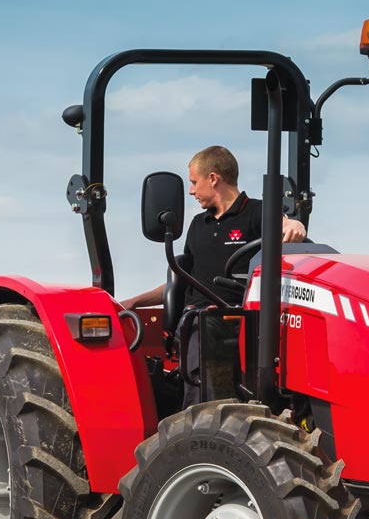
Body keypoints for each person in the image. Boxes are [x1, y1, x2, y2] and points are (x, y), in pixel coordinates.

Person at [121, 146, 305, 406]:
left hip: (246, 318)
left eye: (194, 182)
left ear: (213, 178)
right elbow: (185, 278)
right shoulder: (198, 225)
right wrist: (136, 302)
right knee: (203, 324)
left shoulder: (256, 213)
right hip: (201, 319)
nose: (191, 191)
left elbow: (285, 226)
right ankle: (197, 420)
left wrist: (293, 224)